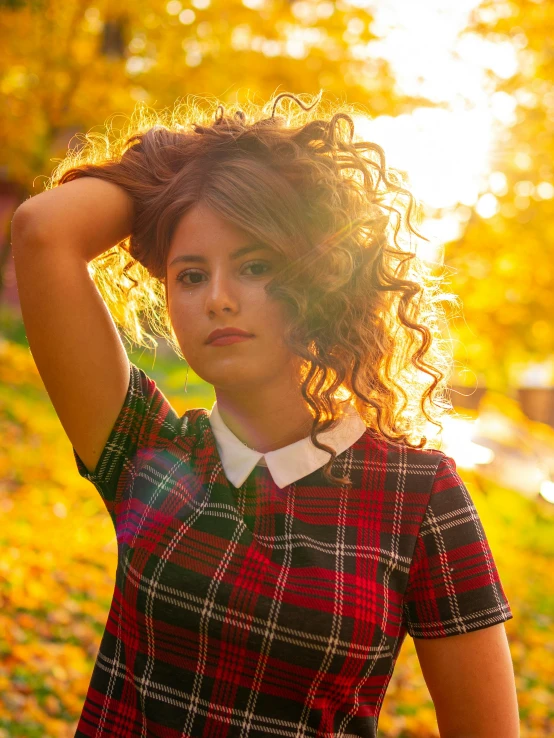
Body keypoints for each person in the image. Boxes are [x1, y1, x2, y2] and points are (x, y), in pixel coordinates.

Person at [11, 91, 519, 737]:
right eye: (190, 276)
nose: (218, 299)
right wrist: (195, 164)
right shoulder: (145, 448)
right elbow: (44, 230)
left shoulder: (419, 497)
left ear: (319, 281)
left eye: (254, 266)